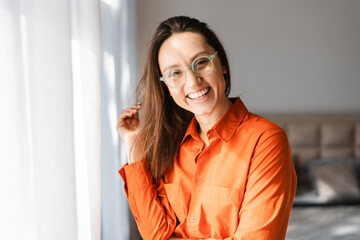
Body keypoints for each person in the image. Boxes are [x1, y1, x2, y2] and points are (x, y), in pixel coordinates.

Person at [116, 16, 297, 240]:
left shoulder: (266, 140)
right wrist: (133, 142)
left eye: (201, 62)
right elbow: (154, 233)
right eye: (175, 73)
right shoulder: (171, 145)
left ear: (221, 64)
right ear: (167, 88)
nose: (192, 82)